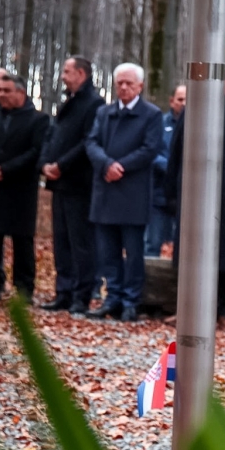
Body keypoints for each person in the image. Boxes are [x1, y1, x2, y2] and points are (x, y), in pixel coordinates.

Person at [165, 81, 225, 323]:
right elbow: (175, 152)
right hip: (192, 195)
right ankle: (186, 308)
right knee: (189, 253)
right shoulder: (191, 110)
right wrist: (172, 195)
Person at [84, 62, 163, 321]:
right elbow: (92, 142)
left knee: (133, 251)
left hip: (133, 193)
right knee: (109, 251)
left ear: (140, 86)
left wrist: (122, 166)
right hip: (105, 190)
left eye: (129, 83)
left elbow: (150, 148)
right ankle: (113, 297)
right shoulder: (104, 113)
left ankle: (131, 300)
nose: (124, 87)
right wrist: (106, 164)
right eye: (120, 83)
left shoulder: (151, 114)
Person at [38, 56, 102, 312]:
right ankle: (63, 292)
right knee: (61, 241)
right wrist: (44, 163)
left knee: (80, 243)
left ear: (81, 74)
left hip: (78, 183)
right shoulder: (68, 103)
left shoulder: (94, 104)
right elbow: (52, 136)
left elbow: (87, 142)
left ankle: (81, 294)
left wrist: (61, 165)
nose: (63, 76)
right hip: (58, 183)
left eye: (67, 71)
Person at [0, 74, 49, 301]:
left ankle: (23, 288)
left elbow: (35, 151)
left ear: (21, 93)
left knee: (22, 239)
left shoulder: (38, 119)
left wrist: (7, 169)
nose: (1, 94)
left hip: (21, 187)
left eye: (7, 90)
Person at [145, 84, 185, 257]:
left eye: (188, 100)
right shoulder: (158, 123)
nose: (184, 103)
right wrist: (172, 168)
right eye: (180, 99)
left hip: (187, 198)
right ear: (172, 101)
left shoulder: (200, 127)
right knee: (152, 244)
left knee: (184, 247)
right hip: (160, 194)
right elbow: (150, 151)